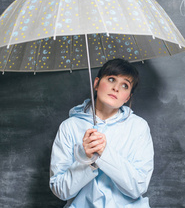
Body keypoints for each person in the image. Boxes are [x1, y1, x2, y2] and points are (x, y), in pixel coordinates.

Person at [49, 58, 154, 207]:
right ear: (96, 83)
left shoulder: (139, 127)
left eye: (125, 85)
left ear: (128, 97)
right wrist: (87, 160)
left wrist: (104, 154)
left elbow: (138, 187)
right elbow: (60, 190)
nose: (116, 88)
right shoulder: (69, 127)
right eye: (111, 79)